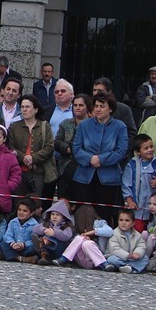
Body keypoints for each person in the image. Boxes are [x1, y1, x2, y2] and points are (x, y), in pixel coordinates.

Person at [73, 91, 128, 224]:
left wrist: (101, 159)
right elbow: (76, 148)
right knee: (83, 213)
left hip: (108, 179)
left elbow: (121, 151)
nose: (98, 109)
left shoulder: (120, 127)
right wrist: (90, 158)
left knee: (103, 215)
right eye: (96, 106)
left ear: (110, 109)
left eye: (102, 106)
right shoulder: (84, 125)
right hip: (84, 176)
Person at [7, 94, 58, 204]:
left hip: (38, 171)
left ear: (35, 109)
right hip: (18, 171)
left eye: (28, 107)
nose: (24, 109)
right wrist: (25, 158)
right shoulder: (14, 126)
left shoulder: (45, 126)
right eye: (22, 107)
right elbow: (10, 147)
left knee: (35, 204)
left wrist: (33, 158)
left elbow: (49, 147)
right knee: (18, 204)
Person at [121, 134, 156, 232]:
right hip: (138, 207)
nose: (150, 150)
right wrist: (129, 200)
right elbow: (126, 185)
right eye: (146, 148)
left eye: (151, 147)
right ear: (138, 152)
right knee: (138, 231)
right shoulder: (132, 165)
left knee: (154, 230)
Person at [54, 93, 92, 200]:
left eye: (81, 105)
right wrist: (67, 148)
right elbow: (56, 142)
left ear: (87, 107)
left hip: (84, 169)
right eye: (75, 105)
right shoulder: (65, 124)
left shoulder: (92, 125)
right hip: (66, 166)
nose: (78, 108)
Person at [53, 204, 114, 270]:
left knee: (87, 244)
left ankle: (63, 258)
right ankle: (104, 264)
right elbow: (72, 242)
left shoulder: (99, 223)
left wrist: (92, 232)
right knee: (80, 238)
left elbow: (110, 231)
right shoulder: (76, 225)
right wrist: (84, 239)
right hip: (81, 258)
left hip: (95, 258)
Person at [92, 77, 136, 147]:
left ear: (109, 91)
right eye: (94, 90)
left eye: (100, 90)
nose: (96, 93)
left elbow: (131, 133)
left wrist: (120, 150)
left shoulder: (123, 109)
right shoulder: (87, 107)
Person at [104, 209, 148, 273]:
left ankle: (127, 267)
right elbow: (114, 249)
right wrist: (127, 255)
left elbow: (141, 245)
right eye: (121, 220)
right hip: (119, 257)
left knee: (145, 258)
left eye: (127, 220)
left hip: (132, 258)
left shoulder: (137, 235)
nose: (123, 223)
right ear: (118, 221)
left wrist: (137, 253)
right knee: (111, 259)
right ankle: (129, 267)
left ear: (133, 223)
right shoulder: (114, 233)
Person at [31, 201, 75, 265]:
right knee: (36, 235)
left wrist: (54, 233)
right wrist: (44, 230)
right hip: (48, 250)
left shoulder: (66, 226)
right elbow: (35, 229)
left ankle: (45, 242)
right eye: (53, 214)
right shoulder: (47, 223)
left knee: (50, 237)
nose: (54, 217)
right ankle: (44, 257)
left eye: (57, 215)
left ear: (63, 216)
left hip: (59, 250)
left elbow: (66, 236)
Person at [0, 198, 39, 263]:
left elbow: (33, 241)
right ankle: (20, 258)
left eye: (25, 211)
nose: (21, 213)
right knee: (3, 244)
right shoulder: (13, 222)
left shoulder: (35, 225)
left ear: (31, 213)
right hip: (13, 247)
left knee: (33, 248)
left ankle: (10, 256)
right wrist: (12, 243)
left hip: (25, 248)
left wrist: (23, 245)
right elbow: (7, 236)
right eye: (19, 210)